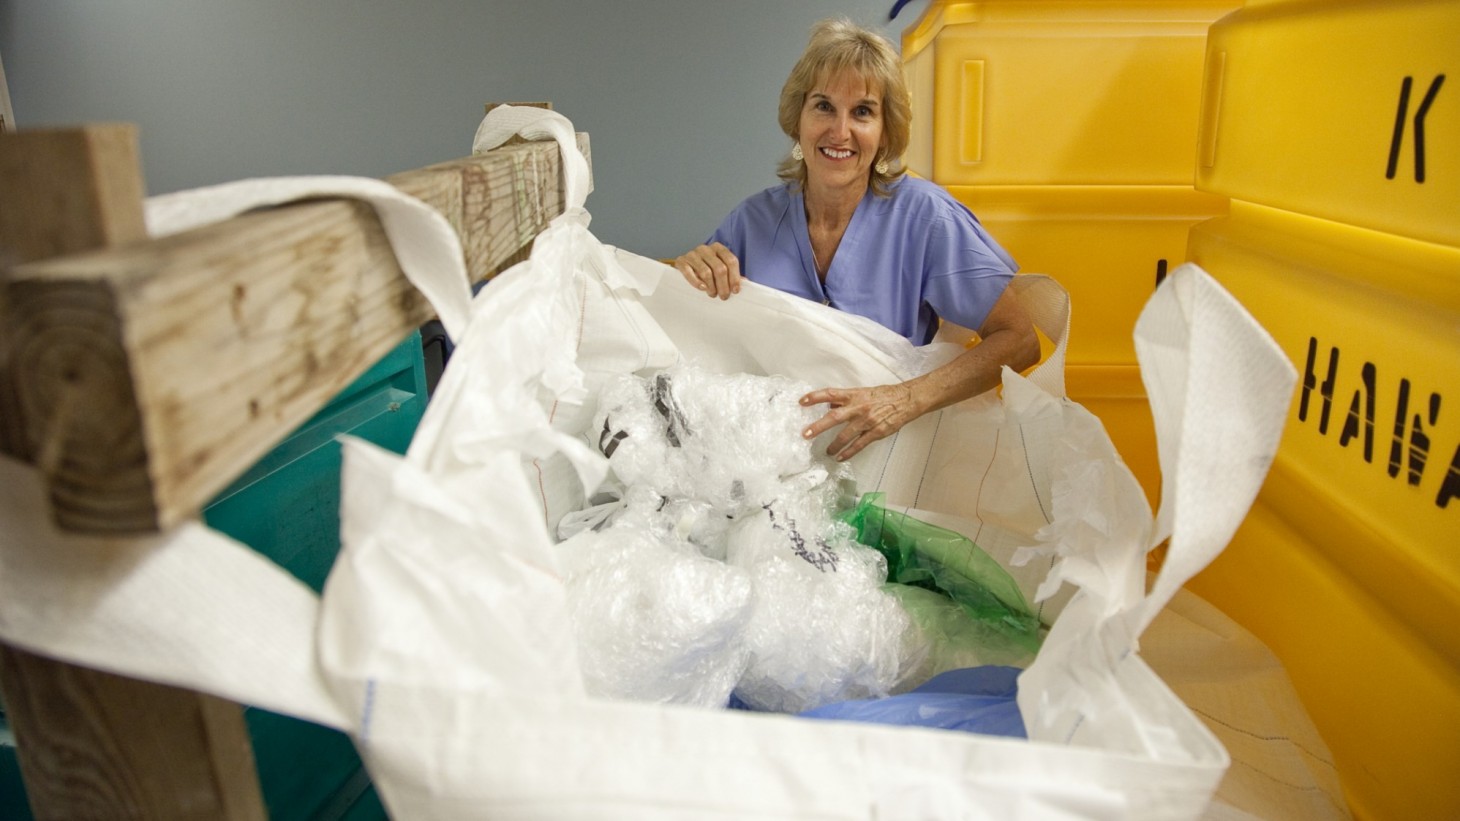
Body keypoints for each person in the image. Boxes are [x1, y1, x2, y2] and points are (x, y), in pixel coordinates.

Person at [674, 18, 1039, 462]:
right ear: (798, 120)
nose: (840, 131)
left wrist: (904, 399)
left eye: (862, 111)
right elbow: (695, 337)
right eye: (824, 106)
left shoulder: (926, 218)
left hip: (891, 461)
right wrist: (689, 272)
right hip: (775, 466)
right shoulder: (752, 222)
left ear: (885, 132)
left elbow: (1019, 340)